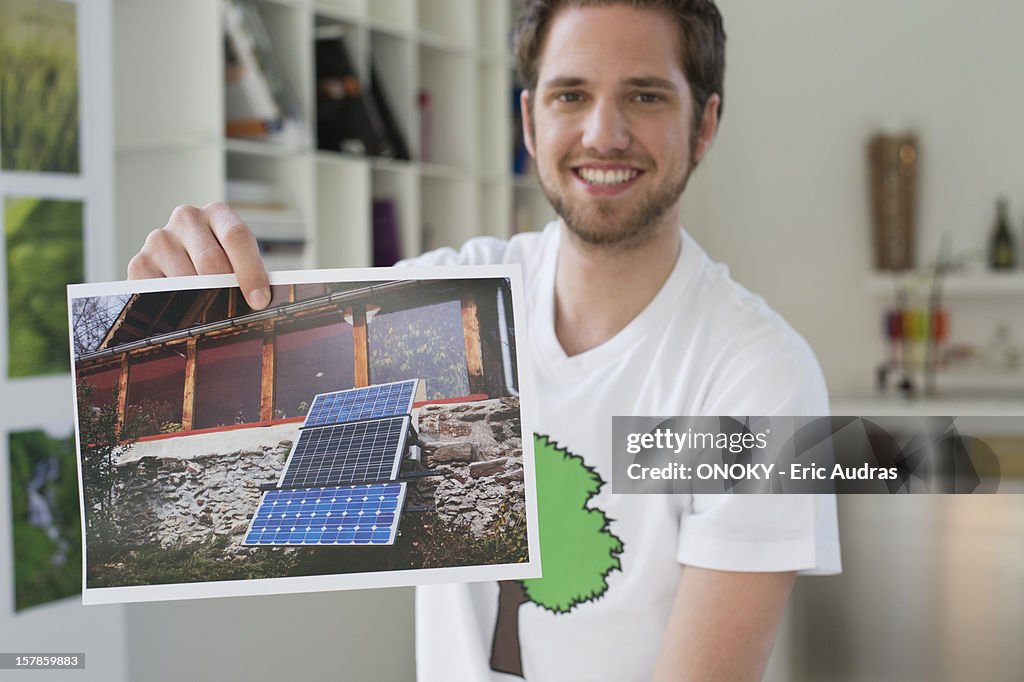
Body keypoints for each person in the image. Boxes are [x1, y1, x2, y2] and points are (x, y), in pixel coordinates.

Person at [129, 1, 841, 679]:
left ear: (705, 123)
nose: (603, 133)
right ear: (529, 122)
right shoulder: (441, 300)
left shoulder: (761, 382)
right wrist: (189, 288)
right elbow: (267, 368)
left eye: (646, 96)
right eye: (570, 95)